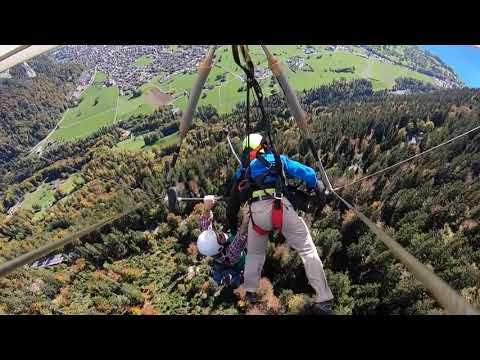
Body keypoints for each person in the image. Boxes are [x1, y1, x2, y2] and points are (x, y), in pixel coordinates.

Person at [231, 133, 335, 315]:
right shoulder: (275, 159)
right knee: (306, 248)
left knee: (255, 253)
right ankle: (324, 298)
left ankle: (250, 289)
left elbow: (233, 201)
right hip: (279, 206)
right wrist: (315, 186)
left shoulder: (241, 172)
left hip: (257, 215)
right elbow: (307, 173)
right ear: (261, 147)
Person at [197, 195, 249, 288]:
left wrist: (207, 207)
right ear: (220, 247)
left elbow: (205, 224)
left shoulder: (207, 243)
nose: (219, 233)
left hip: (221, 261)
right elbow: (242, 234)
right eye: (219, 237)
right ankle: (235, 279)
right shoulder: (231, 253)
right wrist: (247, 215)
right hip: (237, 264)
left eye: (216, 233)